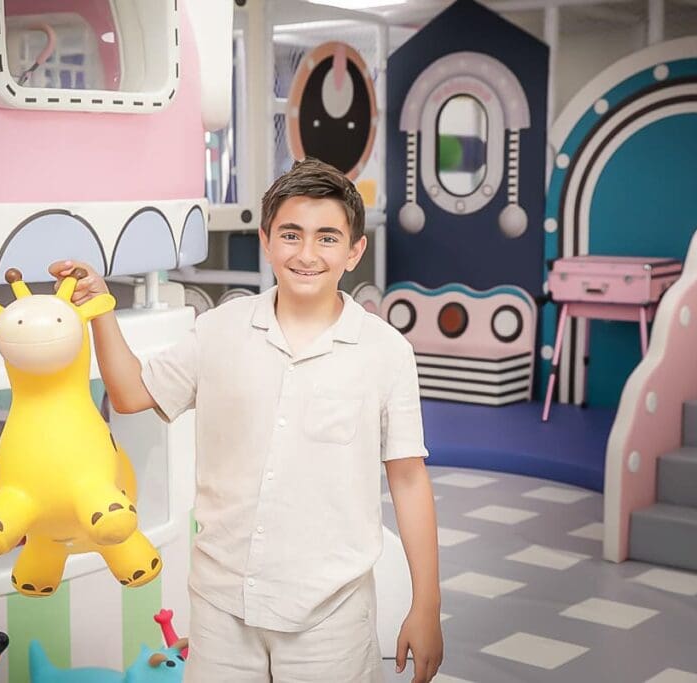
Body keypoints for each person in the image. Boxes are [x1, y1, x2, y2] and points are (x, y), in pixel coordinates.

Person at [49, 158, 443, 683]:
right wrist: (101, 309)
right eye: (291, 234)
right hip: (221, 605)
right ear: (266, 240)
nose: (306, 254)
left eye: (327, 238)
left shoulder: (386, 351)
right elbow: (130, 393)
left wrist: (427, 606)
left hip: (331, 614)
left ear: (354, 250)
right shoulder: (219, 330)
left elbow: (409, 477)